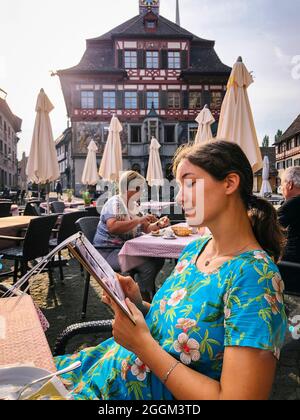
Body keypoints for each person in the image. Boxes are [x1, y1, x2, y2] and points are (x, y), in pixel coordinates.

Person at [56, 141, 287, 400]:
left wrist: (141, 346)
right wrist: (138, 305)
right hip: (97, 369)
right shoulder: (194, 250)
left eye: (189, 183)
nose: (178, 197)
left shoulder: (254, 277)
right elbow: (181, 326)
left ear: (229, 183)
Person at [93, 171, 169, 301]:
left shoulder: (133, 206)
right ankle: (143, 298)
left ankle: (144, 290)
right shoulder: (115, 202)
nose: (141, 192)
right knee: (148, 264)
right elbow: (113, 227)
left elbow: (146, 228)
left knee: (158, 258)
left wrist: (159, 224)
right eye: (139, 188)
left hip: (125, 250)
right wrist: (139, 220)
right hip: (107, 252)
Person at [278, 167, 300, 263]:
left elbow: (268, 228)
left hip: (292, 265)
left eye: (282, 184)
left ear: (290, 184)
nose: (281, 188)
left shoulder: (293, 203)